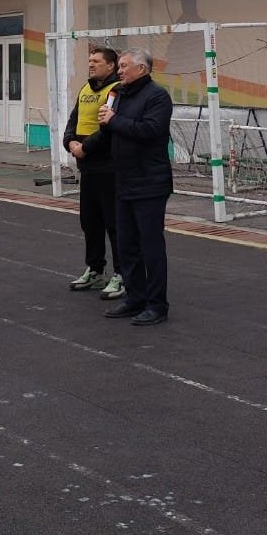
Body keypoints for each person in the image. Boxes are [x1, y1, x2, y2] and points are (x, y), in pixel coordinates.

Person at [85, 47, 173, 326]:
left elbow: (150, 131)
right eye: (119, 66)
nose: (119, 70)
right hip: (122, 181)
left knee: (150, 246)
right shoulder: (119, 95)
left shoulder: (157, 96)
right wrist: (82, 146)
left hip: (149, 182)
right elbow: (109, 130)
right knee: (126, 246)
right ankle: (135, 298)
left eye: (124, 66)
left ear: (142, 69)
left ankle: (157, 304)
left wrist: (115, 121)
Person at [63, 46, 124, 299]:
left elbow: (108, 127)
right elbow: (73, 120)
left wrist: (85, 148)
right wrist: (70, 143)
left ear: (111, 66)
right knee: (90, 222)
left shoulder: (116, 90)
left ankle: (122, 275)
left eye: (96, 61)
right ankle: (96, 270)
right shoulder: (86, 89)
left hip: (108, 167)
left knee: (114, 223)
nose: (91, 64)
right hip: (87, 168)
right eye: (89, 60)